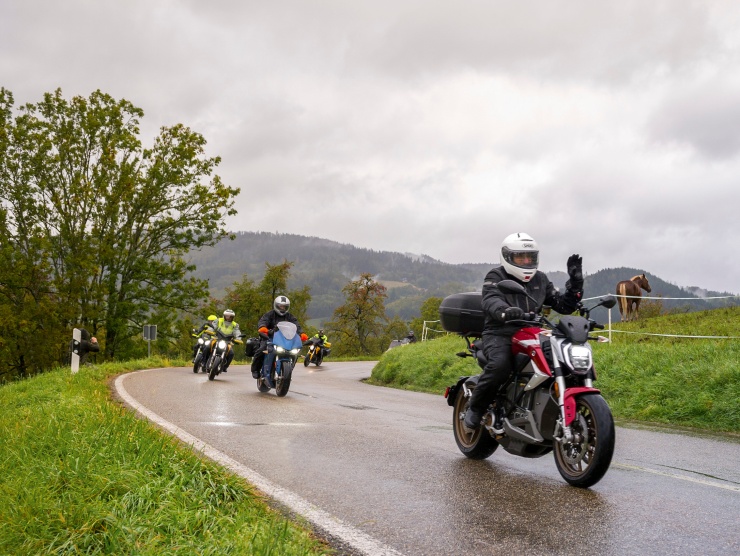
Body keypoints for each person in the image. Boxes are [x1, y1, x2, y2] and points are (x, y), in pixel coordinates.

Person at [463, 232, 584, 434]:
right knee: (500, 366)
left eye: (530, 257)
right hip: (500, 332)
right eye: (521, 257)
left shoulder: (541, 279)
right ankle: (475, 408)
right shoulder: (496, 276)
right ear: (508, 257)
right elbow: (490, 299)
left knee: (560, 362)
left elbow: (563, 306)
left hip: (532, 332)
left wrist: (576, 282)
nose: (527, 261)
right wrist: (504, 310)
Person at [251, 295, 308, 379]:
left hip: (284, 339)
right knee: (262, 349)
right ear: (276, 305)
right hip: (270, 337)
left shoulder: (290, 316)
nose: (282, 308)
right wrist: (263, 327)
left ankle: (289, 369)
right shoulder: (270, 314)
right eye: (280, 306)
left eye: (284, 307)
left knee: (294, 352)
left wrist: (302, 333)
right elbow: (263, 320)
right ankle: (255, 369)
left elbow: (296, 325)